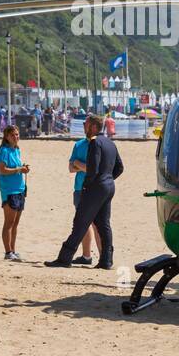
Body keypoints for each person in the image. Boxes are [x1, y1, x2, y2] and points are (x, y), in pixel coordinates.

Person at [46, 115, 122, 269]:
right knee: (103, 224)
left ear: (93, 126)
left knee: (80, 222)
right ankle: (106, 260)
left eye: (85, 124)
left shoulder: (95, 142)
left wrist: (89, 185)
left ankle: (64, 258)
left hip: (95, 188)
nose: (83, 127)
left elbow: (92, 169)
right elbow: (120, 168)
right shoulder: (110, 143)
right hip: (108, 187)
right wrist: (107, 178)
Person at [0, 125, 30, 261]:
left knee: (15, 224)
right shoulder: (3, 151)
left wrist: (23, 169)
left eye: (17, 134)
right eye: (13, 135)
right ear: (6, 137)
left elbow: (18, 167)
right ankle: (8, 252)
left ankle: (13, 250)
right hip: (9, 190)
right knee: (8, 223)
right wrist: (18, 169)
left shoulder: (16, 150)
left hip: (20, 189)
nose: (16, 137)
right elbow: (2, 170)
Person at [68, 132, 101, 265]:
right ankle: (86, 256)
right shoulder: (79, 144)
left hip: (95, 188)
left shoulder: (100, 144)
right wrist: (83, 166)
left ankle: (103, 256)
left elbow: (95, 169)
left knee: (97, 223)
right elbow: (70, 168)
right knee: (83, 223)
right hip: (79, 188)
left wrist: (78, 163)